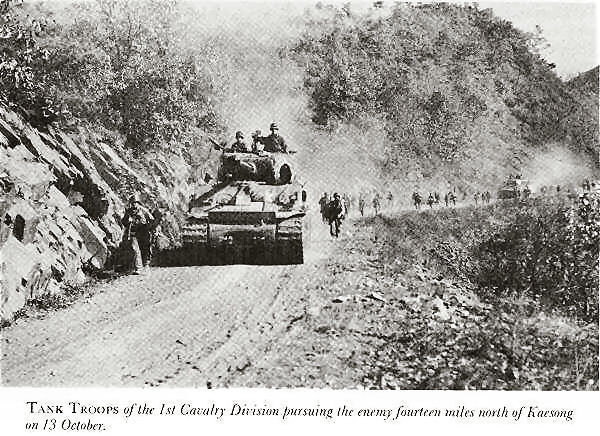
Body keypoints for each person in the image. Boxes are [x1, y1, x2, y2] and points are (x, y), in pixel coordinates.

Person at [121, 194, 154, 274]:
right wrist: (128, 222)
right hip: (133, 232)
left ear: (138, 203)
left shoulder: (143, 210)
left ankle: (146, 265)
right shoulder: (129, 211)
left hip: (143, 232)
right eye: (133, 203)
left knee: (145, 248)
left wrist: (148, 226)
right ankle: (138, 268)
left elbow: (152, 219)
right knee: (135, 249)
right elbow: (124, 221)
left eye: (136, 202)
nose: (134, 204)